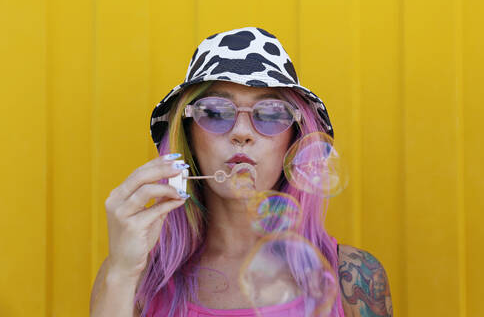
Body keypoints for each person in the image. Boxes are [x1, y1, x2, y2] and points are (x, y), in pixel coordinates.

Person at [90, 27, 393, 317]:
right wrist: (122, 272)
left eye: (272, 113)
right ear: (188, 134)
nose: (242, 133)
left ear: (295, 140)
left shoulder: (353, 277)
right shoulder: (133, 276)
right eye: (216, 112)